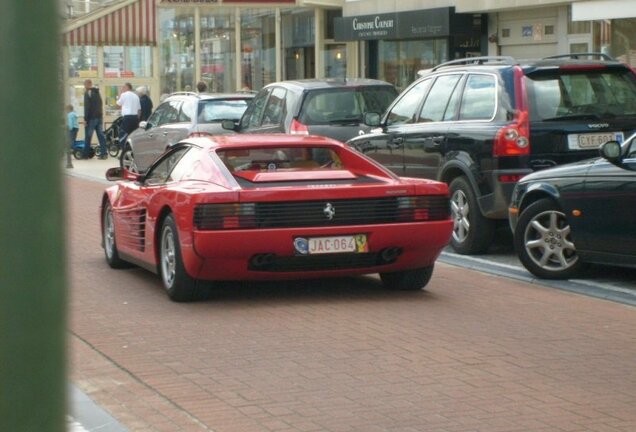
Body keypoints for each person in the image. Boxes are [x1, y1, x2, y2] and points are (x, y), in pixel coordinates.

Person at [83, 79, 108, 159]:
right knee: (101, 136)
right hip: (99, 117)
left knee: (88, 136)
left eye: (85, 84)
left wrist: (85, 119)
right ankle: (104, 154)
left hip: (91, 118)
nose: (84, 86)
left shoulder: (88, 93)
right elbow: (101, 103)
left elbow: (87, 107)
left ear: (88, 84)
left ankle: (85, 155)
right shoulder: (97, 92)